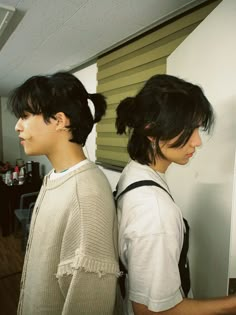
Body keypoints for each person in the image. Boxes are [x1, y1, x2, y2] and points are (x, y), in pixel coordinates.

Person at [115, 74, 236, 315]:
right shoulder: (154, 211)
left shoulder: (135, 172)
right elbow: (151, 312)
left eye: (198, 128)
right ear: (151, 130)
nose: (198, 141)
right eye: (188, 129)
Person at [8, 72, 120, 315]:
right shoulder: (56, 177)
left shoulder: (86, 196)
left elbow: (89, 302)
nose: (17, 126)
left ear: (59, 120)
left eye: (26, 116)